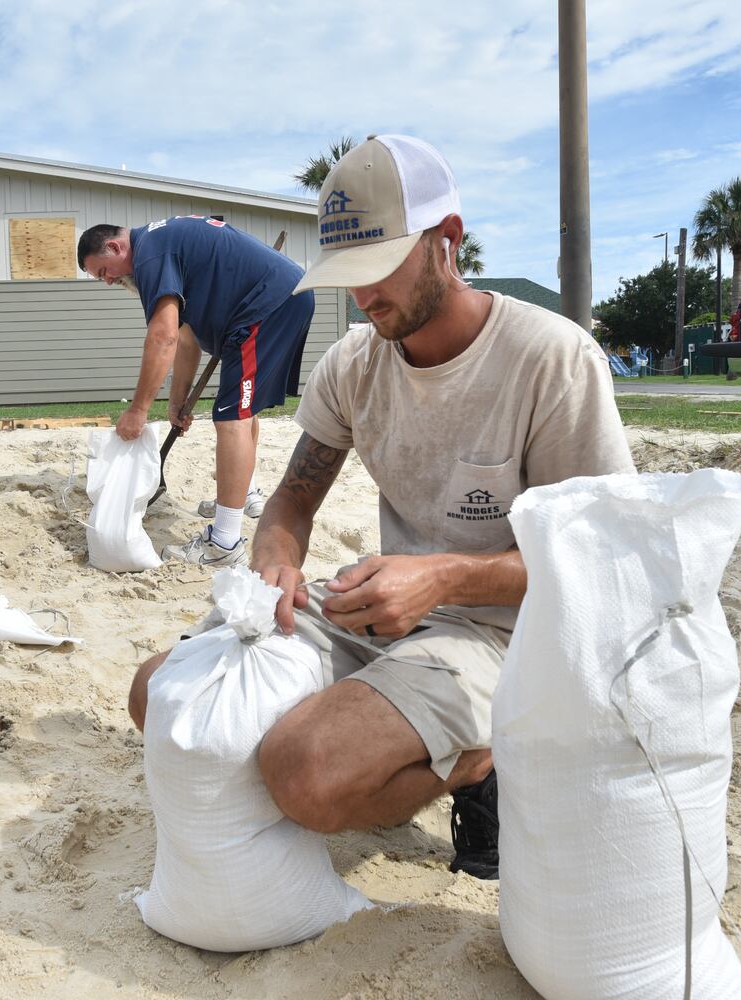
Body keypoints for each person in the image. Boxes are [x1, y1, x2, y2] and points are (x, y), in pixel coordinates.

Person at [128, 135, 634, 878]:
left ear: (446, 241)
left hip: (502, 633)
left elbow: (599, 562)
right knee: (161, 696)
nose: (362, 297)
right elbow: (293, 502)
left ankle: (484, 762)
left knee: (304, 774)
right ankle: (399, 724)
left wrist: (441, 580)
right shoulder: (353, 363)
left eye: (378, 269)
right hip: (382, 605)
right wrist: (275, 564)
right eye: (348, 277)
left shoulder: (549, 359)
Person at [77, 216, 315, 566]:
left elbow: (163, 337)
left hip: (267, 306)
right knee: (242, 411)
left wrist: (138, 411)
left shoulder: (150, 254)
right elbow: (186, 338)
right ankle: (242, 495)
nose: (109, 281)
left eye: (103, 271)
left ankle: (223, 543)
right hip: (276, 301)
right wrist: (177, 400)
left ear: (115, 247)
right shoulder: (162, 246)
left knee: (231, 416)